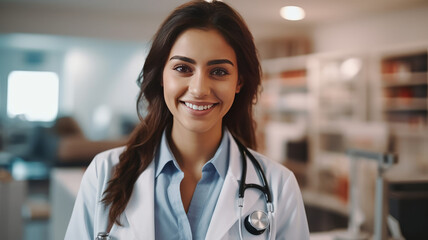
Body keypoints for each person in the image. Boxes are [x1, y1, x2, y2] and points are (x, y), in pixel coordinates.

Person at [65, 1, 310, 239]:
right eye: (183, 68)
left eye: (219, 71)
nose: (199, 89)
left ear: (239, 82)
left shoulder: (279, 186)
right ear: (161, 76)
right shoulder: (104, 173)